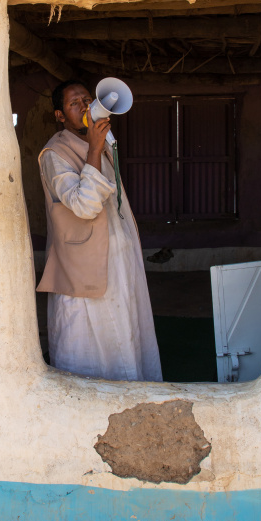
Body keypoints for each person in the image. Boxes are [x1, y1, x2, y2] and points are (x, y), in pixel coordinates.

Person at [36, 80, 163, 382]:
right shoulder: (55, 154)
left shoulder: (100, 144)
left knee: (124, 330)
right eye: (73, 103)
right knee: (90, 341)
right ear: (59, 115)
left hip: (117, 261)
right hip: (86, 267)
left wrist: (97, 145)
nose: (83, 106)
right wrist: (94, 147)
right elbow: (84, 205)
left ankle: (131, 391)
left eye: (86, 99)